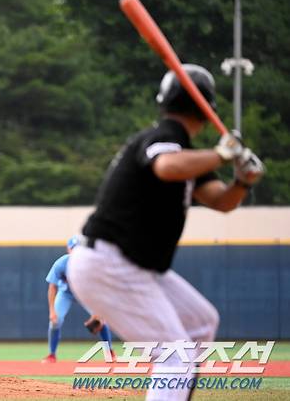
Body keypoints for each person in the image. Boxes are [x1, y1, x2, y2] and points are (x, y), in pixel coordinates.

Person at [68, 64, 264, 400]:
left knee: (202, 321)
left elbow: (221, 201)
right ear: (206, 110)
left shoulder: (185, 151)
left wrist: (241, 182)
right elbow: (166, 166)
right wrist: (221, 154)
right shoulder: (165, 137)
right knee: (177, 356)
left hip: (130, 266)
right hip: (110, 263)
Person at [42, 236, 114, 364]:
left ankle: (110, 352)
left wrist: (99, 310)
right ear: (68, 249)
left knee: (100, 319)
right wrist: (52, 311)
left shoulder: (91, 264)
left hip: (87, 294)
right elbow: (52, 287)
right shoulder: (61, 263)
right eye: (73, 249)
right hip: (66, 294)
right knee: (55, 321)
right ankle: (52, 354)